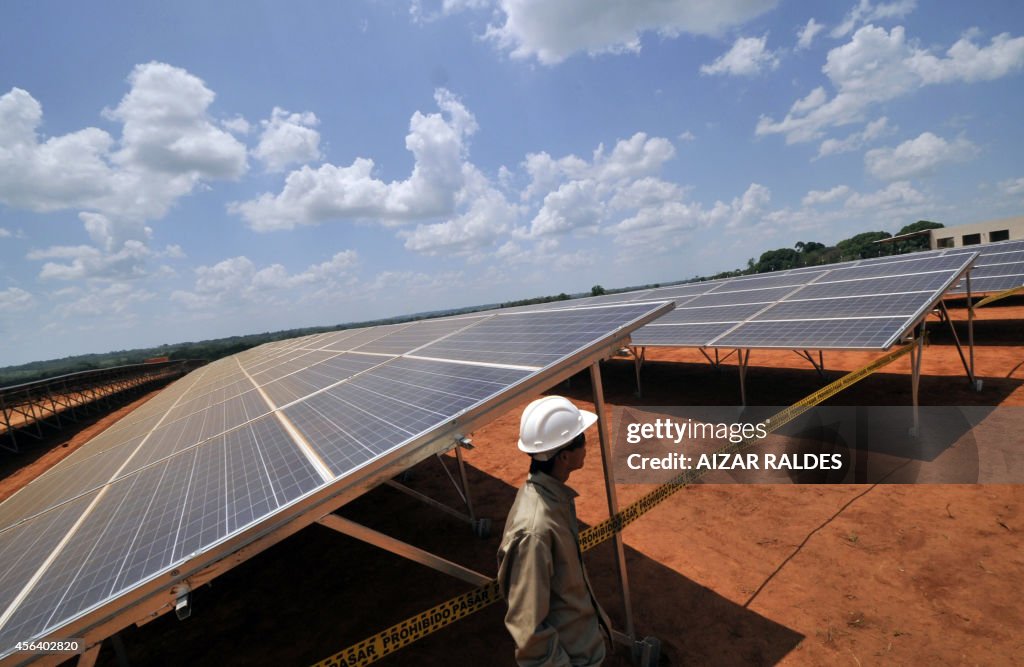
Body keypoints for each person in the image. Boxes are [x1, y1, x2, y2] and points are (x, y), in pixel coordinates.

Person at [497, 395, 611, 667]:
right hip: (574, 658)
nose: (587, 444)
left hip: (582, 645)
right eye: (581, 438)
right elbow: (529, 633)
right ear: (564, 456)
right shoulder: (535, 530)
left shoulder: (552, 497)